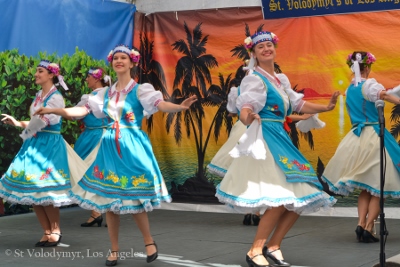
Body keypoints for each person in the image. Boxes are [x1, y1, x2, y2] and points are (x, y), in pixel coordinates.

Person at [34, 45, 197, 266]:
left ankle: (149, 241)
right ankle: (114, 249)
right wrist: (55, 111)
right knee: (110, 201)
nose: (119, 61)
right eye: (116, 58)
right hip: (110, 145)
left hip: (132, 145)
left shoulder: (141, 90)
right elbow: (81, 111)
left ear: (132, 63)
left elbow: (160, 105)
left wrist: (179, 107)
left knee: (135, 196)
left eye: (124, 58)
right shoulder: (103, 93)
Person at [215, 31, 340, 267]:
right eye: (260, 46)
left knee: (304, 193)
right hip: (265, 138)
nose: (266, 49)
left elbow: (298, 103)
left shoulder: (279, 80)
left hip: (280, 138)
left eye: (269, 44)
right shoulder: (253, 79)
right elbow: (246, 106)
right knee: (278, 199)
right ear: (253, 53)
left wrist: (327, 106)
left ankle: (273, 246)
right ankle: (255, 250)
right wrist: (247, 117)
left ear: (275, 48)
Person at [0, 60, 87, 247]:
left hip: (49, 146)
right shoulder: (39, 95)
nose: (36, 74)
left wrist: (21, 127)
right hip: (35, 143)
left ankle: (55, 231)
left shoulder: (56, 98)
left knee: (46, 191)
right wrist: (18, 123)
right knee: (33, 190)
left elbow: (42, 123)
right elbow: (35, 122)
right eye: (37, 71)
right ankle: (46, 231)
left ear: (51, 75)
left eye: (40, 71)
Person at [321, 51, 400, 243]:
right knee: (379, 186)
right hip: (374, 136)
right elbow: (382, 95)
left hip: (356, 137)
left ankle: (360, 223)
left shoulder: (350, 89)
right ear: (368, 66)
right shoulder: (369, 85)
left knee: (367, 188)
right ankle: (369, 225)